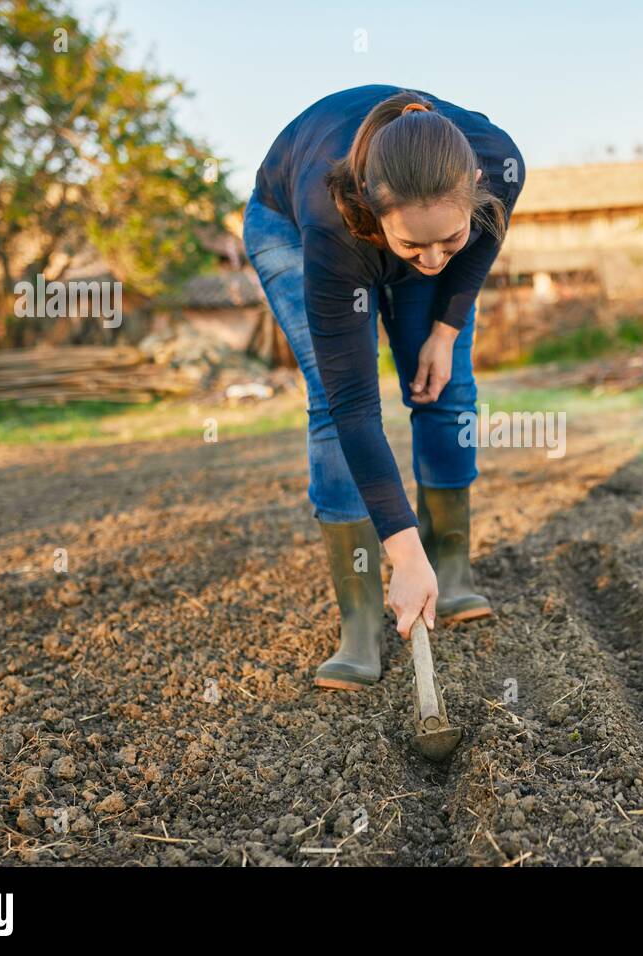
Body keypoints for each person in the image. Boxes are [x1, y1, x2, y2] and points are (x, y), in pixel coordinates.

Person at [242, 85, 524, 691]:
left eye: (446, 240)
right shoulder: (332, 220)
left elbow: (482, 241)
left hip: (415, 212)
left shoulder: (499, 163)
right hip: (290, 225)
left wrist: (445, 330)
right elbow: (353, 405)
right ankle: (362, 614)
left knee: (444, 389)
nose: (430, 261)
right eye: (413, 246)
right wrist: (402, 551)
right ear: (373, 207)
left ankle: (449, 562)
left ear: (473, 183)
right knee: (329, 400)